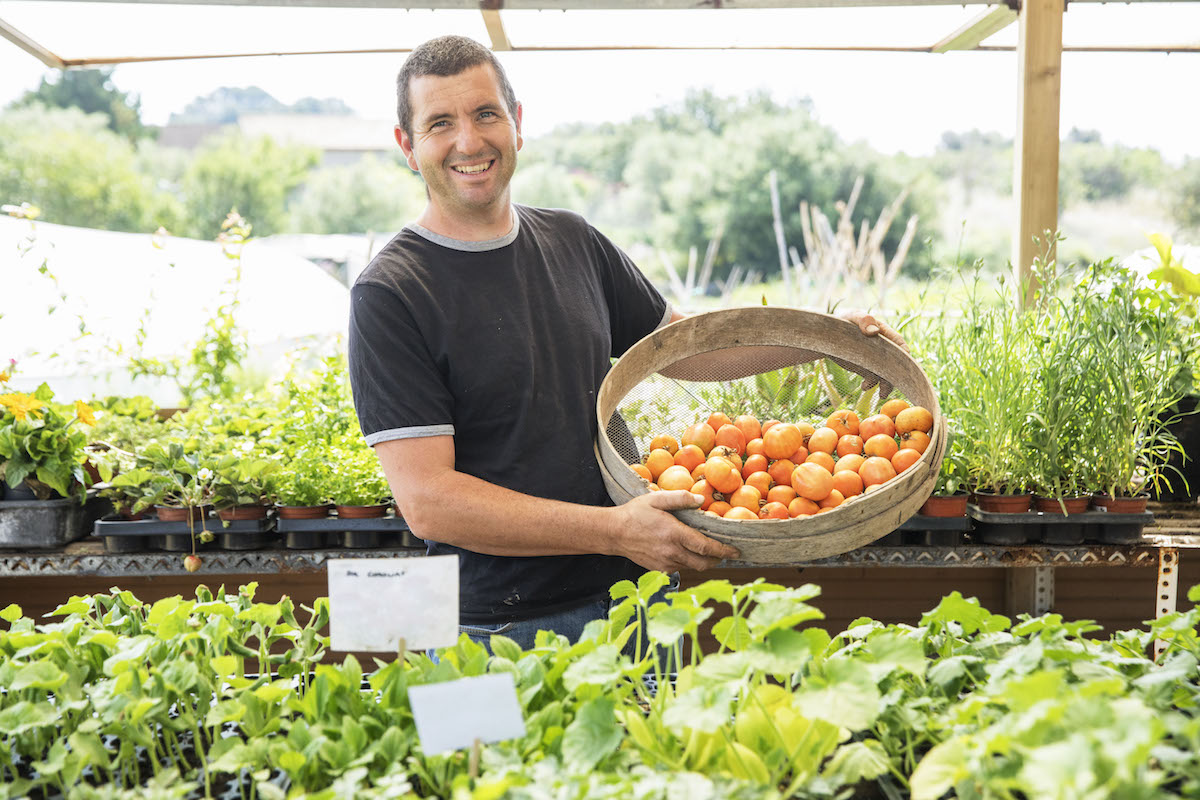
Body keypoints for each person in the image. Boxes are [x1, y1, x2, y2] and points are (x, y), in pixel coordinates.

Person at [347, 35, 904, 651]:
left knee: (659, 750)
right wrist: (614, 531)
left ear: (517, 123)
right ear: (408, 145)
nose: (469, 141)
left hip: (636, 600)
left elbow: (681, 347)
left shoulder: (572, 240)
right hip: (496, 628)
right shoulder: (391, 292)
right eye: (440, 123)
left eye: (486, 114)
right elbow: (431, 502)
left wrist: (822, 335)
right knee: (506, 753)